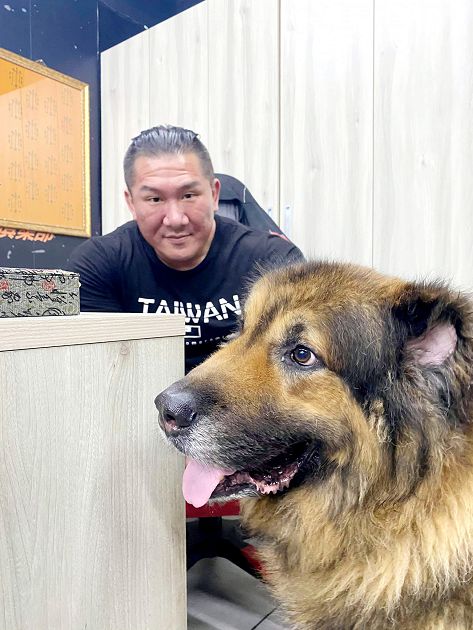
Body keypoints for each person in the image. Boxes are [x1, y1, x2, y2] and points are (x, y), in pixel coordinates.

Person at [68, 125, 304, 373]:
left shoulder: (273, 261)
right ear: (132, 203)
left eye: (189, 195)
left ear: (214, 194)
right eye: (155, 199)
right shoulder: (98, 265)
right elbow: (98, 371)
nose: (175, 219)